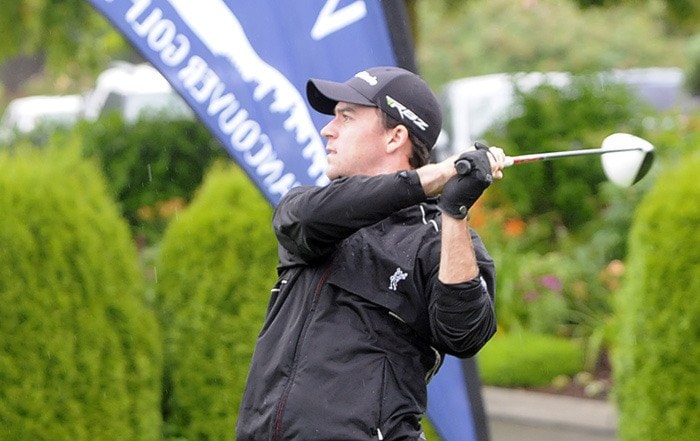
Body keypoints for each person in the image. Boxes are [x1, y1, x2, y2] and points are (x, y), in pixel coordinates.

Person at [236, 66, 506, 440]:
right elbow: (309, 218)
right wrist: (430, 177)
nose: (327, 130)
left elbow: (465, 335)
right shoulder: (312, 209)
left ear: (396, 137)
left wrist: (455, 212)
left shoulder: (437, 239)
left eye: (346, 117)